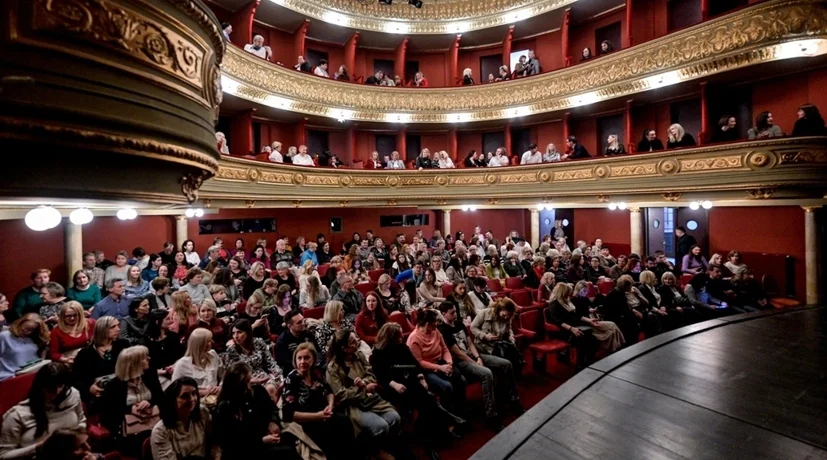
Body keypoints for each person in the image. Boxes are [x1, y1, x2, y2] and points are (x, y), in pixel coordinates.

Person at [326, 330, 401, 456]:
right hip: (353, 405)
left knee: (395, 418)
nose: (358, 342)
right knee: (381, 427)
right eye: (353, 342)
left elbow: (370, 374)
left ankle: (387, 447)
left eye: (356, 338)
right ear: (344, 348)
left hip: (371, 399)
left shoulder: (359, 355)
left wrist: (364, 383)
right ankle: (373, 452)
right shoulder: (333, 367)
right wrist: (363, 389)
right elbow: (340, 393)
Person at [282, 343, 354, 460]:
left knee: (345, 422)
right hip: (306, 421)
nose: (302, 361)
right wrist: (318, 416)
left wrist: (330, 406)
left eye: (306, 357)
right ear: (295, 360)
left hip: (323, 413)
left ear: (314, 359)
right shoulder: (292, 379)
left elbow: (329, 391)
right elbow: (290, 414)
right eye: (299, 358)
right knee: (330, 434)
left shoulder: (316, 372)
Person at [0, 363, 86, 459]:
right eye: (50, 387)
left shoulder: (73, 395)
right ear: (40, 386)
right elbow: (3, 455)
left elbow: (81, 420)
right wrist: (40, 446)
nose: (56, 391)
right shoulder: (17, 415)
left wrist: (77, 440)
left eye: (60, 385)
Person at [150, 377, 214, 460]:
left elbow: (214, 442)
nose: (192, 399)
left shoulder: (202, 413)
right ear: (173, 400)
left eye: (194, 393)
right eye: (185, 396)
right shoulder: (161, 431)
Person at [0, 314, 49, 381]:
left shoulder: (33, 337)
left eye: (33, 330)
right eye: (26, 329)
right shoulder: (5, 336)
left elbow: (41, 352)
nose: (28, 332)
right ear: (20, 323)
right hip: (10, 377)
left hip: (31, 373)